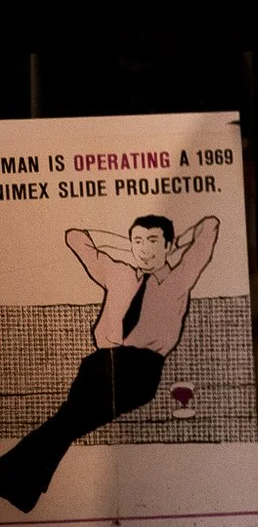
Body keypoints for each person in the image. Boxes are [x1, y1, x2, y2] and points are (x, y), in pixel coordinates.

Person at [0, 215, 220, 511]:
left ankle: (13, 482)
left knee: (65, 423)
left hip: (139, 369)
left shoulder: (179, 278)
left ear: (167, 246)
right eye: (137, 241)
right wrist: (121, 243)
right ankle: (18, 489)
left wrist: (180, 242)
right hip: (99, 364)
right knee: (66, 425)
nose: (144, 249)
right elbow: (75, 237)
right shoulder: (120, 274)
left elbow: (210, 227)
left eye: (153, 241)